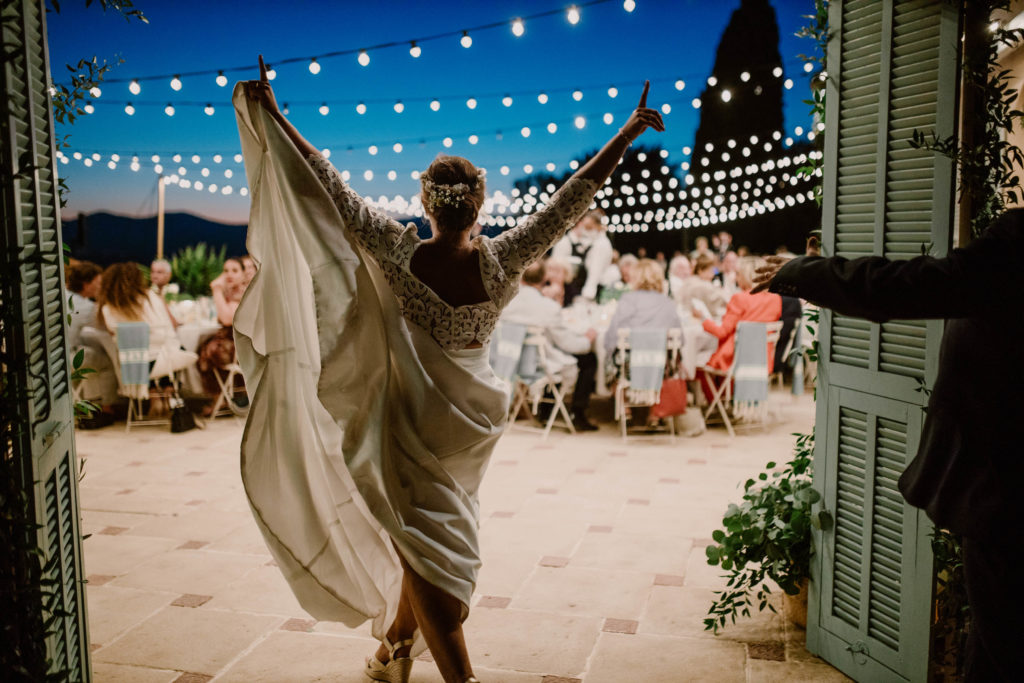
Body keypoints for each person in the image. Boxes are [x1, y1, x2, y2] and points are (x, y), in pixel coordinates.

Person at [242, 59, 663, 683]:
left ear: (425, 202)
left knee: (424, 547)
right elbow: (571, 200)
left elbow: (327, 184)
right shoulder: (504, 259)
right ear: (480, 202)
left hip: (409, 419)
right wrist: (624, 137)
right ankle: (397, 655)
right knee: (429, 546)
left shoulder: (396, 249)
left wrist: (277, 119)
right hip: (467, 426)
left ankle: (419, 662)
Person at [752, 211, 1024, 682]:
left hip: (1006, 485)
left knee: (1005, 648)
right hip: (1002, 483)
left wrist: (804, 271)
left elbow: (917, 284)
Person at [501, 260, 598, 431]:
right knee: (589, 360)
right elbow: (567, 343)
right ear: (544, 278)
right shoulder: (548, 307)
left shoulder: (505, 301)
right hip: (539, 366)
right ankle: (578, 414)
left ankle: (545, 413)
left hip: (508, 363)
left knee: (552, 349)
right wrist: (587, 341)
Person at [96, 262, 196, 396]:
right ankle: (169, 391)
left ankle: (154, 392)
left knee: (161, 350)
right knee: (175, 347)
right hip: (159, 361)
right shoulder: (149, 298)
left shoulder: (107, 309)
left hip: (130, 367)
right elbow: (168, 329)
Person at [695, 256, 782, 398]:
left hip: (737, 358)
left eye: (738, 274)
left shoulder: (740, 298)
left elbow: (721, 332)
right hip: (763, 358)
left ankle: (718, 403)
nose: (736, 278)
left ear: (747, 276)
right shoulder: (775, 299)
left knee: (697, 364)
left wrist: (702, 319)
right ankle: (730, 402)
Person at [604, 258, 682, 360]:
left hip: (629, 367)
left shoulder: (627, 300)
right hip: (662, 367)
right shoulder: (668, 303)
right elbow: (681, 340)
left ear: (635, 278)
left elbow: (610, 339)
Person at [196, 257, 246, 403]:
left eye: (235, 271)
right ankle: (220, 397)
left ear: (244, 274)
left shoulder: (243, 293)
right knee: (202, 349)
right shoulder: (230, 293)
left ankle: (220, 397)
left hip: (240, 346)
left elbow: (226, 319)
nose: (229, 274)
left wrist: (217, 290)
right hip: (228, 342)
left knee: (210, 351)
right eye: (225, 271)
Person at [551, 209, 613, 305]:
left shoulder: (600, 245)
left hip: (591, 291)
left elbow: (595, 272)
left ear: (598, 227)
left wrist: (586, 296)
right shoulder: (591, 242)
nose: (585, 231)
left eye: (588, 227)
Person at [679, 254, 729, 318]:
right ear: (700, 270)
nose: (713, 272)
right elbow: (723, 299)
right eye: (709, 269)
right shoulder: (701, 285)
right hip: (695, 321)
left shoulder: (691, 280)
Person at [66, 260, 102, 350]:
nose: (101, 287)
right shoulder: (86, 307)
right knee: (105, 358)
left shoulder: (64, 293)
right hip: (68, 354)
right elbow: (105, 327)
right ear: (86, 285)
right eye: (99, 283)